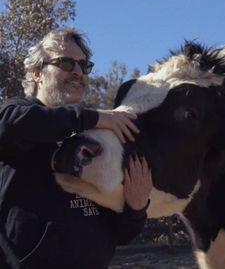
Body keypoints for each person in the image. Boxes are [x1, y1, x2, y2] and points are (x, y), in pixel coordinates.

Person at [0, 27, 152, 269]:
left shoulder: (95, 138)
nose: (79, 72)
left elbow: (122, 235)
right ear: (37, 73)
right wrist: (92, 118)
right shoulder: (16, 114)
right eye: (67, 63)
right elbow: (9, 125)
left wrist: (136, 207)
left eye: (84, 65)